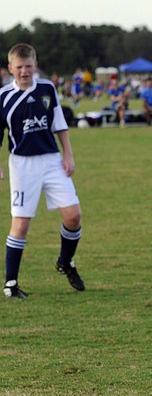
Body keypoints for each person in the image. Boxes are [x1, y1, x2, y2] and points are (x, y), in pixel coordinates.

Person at [0, 43, 85, 298]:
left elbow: (59, 124)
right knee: (21, 224)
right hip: (22, 165)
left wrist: (68, 155)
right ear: (10, 69)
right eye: (19, 67)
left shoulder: (48, 88)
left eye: (28, 66)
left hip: (51, 160)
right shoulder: (3, 97)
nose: (24, 72)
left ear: (35, 66)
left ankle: (65, 262)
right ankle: (11, 285)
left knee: (73, 216)